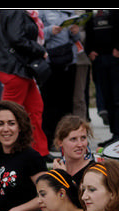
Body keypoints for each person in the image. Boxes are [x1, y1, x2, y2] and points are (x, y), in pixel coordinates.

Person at [0, 11, 50, 157]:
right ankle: (2, 150)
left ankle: (39, 150)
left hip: (17, 67)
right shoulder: (16, 11)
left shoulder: (18, 12)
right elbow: (17, 39)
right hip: (14, 68)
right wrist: (40, 50)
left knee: (34, 108)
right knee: (8, 114)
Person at [39, 10, 90, 140]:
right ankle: (50, 138)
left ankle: (66, 139)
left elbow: (76, 39)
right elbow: (35, 34)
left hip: (69, 61)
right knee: (50, 103)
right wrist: (50, 30)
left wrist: (75, 31)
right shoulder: (41, 12)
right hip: (50, 62)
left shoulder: (69, 11)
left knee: (66, 104)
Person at [83, 10, 119, 143]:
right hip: (98, 58)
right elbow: (87, 28)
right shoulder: (90, 12)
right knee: (107, 97)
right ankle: (114, 133)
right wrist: (89, 50)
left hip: (117, 57)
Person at [50, 114, 96, 185]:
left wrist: (64, 177)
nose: (80, 144)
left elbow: (80, 196)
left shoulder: (94, 171)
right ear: (60, 142)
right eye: (73, 139)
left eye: (83, 138)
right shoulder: (57, 170)